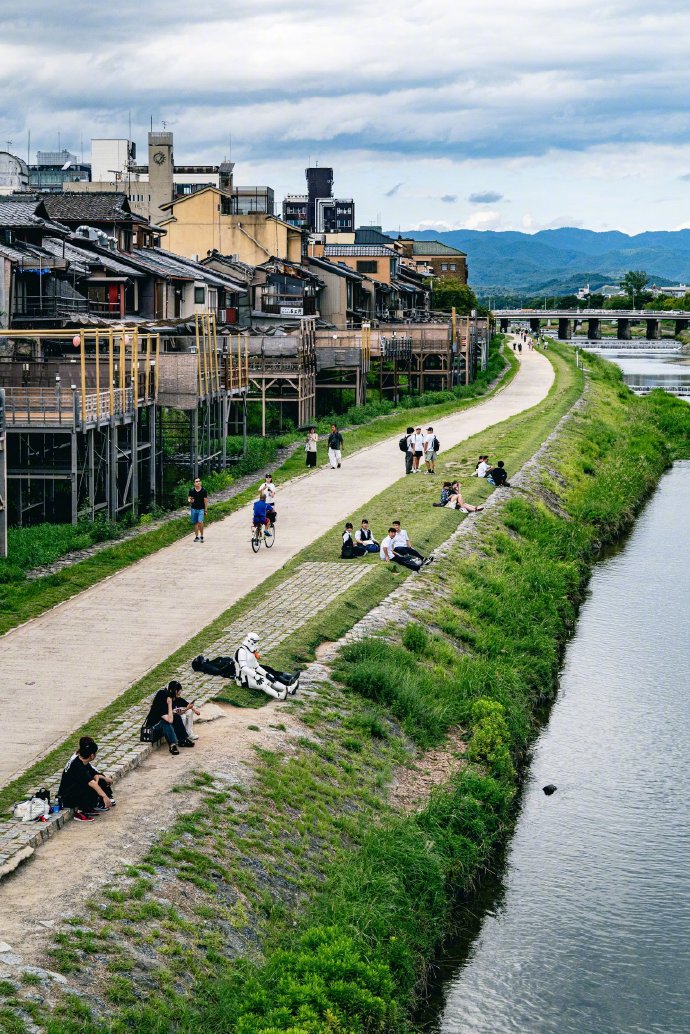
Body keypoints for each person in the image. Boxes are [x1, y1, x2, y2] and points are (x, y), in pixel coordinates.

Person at [58, 736, 115, 821]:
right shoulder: (77, 765)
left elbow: (94, 773)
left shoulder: (83, 761)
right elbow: (91, 783)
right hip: (67, 797)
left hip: (73, 791)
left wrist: (102, 778)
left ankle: (88, 807)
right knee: (89, 786)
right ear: (92, 755)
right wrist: (104, 796)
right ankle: (80, 812)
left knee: (99, 782)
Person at [234, 632, 300, 700]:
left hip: (252, 676)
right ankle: (279, 695)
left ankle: (289, 689)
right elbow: (243, 667)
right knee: (263, 685)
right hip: (244, 679)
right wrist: (256, 676)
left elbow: (256, 667)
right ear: (250, 641)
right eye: (255, 641)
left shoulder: (250, 651)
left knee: (271, 680)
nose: (256, 643)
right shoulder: (242, 651)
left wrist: (266, 674)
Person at [144, 680, 194, 755]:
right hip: (153, 730)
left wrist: (187, 709)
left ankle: (182, 740)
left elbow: (175, 710)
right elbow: (170, 720)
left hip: (161, 727)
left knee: (176, 717)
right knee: (166, 723)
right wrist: (170, 704)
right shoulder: (162, 699)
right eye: (178, 694)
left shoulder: (170, 697)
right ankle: (172, 745)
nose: (179, 696)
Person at [188, 477, 208, 543]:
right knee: (195, 523)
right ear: (194, 483)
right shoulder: (191, 491)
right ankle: (196, 536)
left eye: (199, 481)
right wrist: (190, 501)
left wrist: (206, 510)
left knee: (200, 522)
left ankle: (202, 536)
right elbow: (189, 498)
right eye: (196, 481)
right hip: (194, 509)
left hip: (201, 509)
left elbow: (205, 501)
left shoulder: (204, 491)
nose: (198, 482)